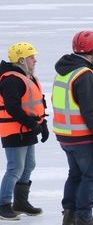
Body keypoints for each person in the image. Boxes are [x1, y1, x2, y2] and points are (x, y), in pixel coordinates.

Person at [52, 30, 93, 225]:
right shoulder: (84, 74)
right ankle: (84, 217)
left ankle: (69, 215)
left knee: (75, 174)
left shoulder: (65, 71)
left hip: (65, 135)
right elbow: (88, 111)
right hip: (83, 136)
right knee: (91, 176)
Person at [0, 42, 48, 220]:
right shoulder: (11, 80)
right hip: (14, 130)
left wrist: (41, 125)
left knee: (29, 165)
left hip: (26, 129)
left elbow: (35, 105)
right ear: (21, 60)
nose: (35, 60)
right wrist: (32, 124)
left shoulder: (27, 77)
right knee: (15, 168)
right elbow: (12, 107)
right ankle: (3, 205)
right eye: (31, 57)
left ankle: (20, 202)